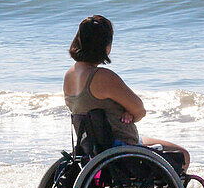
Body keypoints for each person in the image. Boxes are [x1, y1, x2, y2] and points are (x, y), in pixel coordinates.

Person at [63, 14, 191, 168]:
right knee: (183, 155)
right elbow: (140, 110)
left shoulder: (70, 75)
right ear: (105, 45)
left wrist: (124, 111)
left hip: (93, 150)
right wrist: (130, 114)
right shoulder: (102, 76)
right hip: (121, 150)